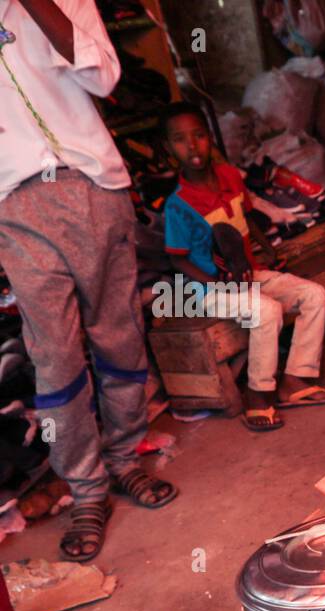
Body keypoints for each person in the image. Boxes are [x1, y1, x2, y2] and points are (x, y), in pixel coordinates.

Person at [0, 0, 178, 562]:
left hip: (93, 185)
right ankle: (85, 489)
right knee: (53, 357)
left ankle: (124, 461)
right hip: (17, 206)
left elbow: (103, 76)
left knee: (118, 335)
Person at [161, 104, 325, 432]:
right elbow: (178, 258)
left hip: (248, 275)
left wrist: (269, 251)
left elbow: (246, 217)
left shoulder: (229, 176)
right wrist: (215, 281)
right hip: (209, 289)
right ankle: (258, 395)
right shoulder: (178, 205)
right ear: (169, 149)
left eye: (199, 136)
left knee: (314, 295)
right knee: (268, 311)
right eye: (180, 140)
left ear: (210, 139)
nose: (192, 146)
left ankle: (296, 379)